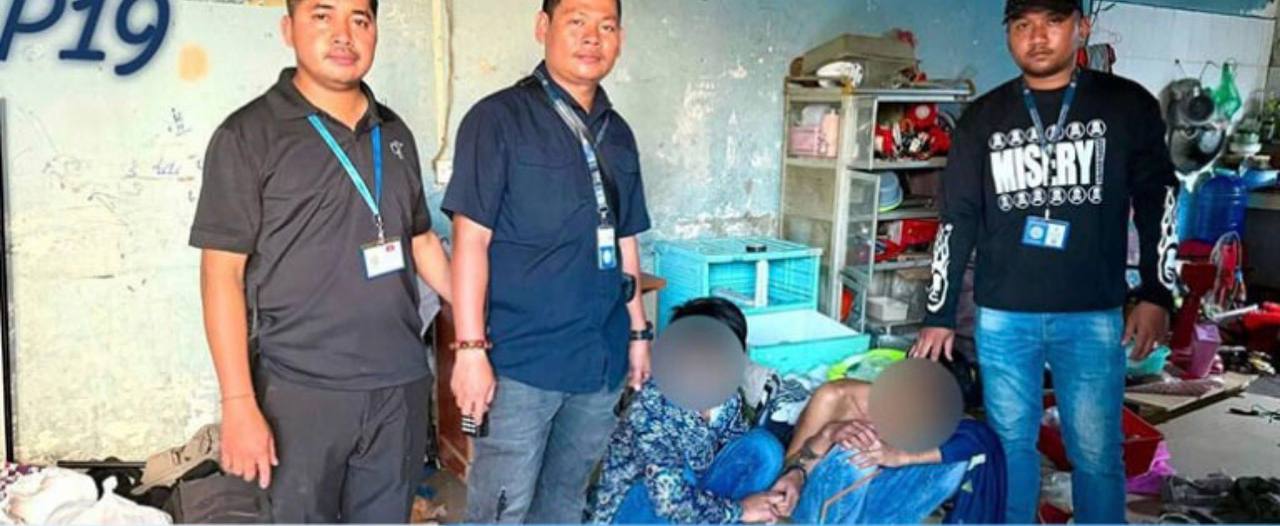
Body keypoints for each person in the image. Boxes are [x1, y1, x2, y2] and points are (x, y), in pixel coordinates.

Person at [910, 0, 1179, 522]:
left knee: (1096, 453)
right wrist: (939, 313)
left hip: (1092, 313)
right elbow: (957, 218)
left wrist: (1155, 292)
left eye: (1053, 22)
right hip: (1004, 314)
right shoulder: (983, 118)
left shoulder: (1126, 106)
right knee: (1011, 446)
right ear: (1008, 34)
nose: (1037, 36)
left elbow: (1158, 200)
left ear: (1083, 27)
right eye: (1022, 25)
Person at [189, 0, 452, 521]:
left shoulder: (393, 133)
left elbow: (421, 240)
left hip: (398, 385)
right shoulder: (248, 135)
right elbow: (221, 273)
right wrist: (238, 403)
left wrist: (477, 326)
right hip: (300, 391)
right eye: (322, 16)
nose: (343, 34)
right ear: (289, 29)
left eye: (360, 19)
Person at [441, 0, 652, 522]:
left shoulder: (619, 133)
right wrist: (469, 351)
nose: (592, 38)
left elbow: (625, 236)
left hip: (599, 359)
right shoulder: (496, 120)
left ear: (620, 38)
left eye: (606, 26)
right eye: (576, 22)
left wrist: (638, 333)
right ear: (543, 28)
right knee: (501, 508)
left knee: (565, 501)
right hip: (520, 364)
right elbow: (470, 242)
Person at [589, 298, 785, 524]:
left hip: (694, 501)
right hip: (638, 512)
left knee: (764, 448)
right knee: (681, 477)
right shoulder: (653, 404)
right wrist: (740, 511)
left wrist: (772, 498)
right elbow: (667, 498)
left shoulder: (728, 398)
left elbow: (734, 452)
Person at [768, 376, 1007, 524]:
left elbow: (976, 436)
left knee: (956, 455)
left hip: (875, 504)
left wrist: (900, 456)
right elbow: (791, 466)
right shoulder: (834, 396)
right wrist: (827, 434)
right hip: (816, 505)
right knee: (860, 448)